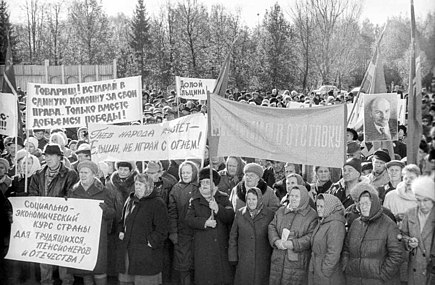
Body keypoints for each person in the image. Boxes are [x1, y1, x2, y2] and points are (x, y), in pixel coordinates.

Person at [28, 144, 78, 285]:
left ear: (59, 157)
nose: (47, 158)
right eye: (45, 155)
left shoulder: (70, 174)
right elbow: (32, 196)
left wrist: (55, 210)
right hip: (43, 221)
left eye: (51, 155)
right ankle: (46, 282)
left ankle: (67, 282)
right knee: (44, 254)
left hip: (63, 221)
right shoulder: (38, 174)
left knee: (63, 255)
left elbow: (71, 197)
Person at [68, 161, 115, 285]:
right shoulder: (73, 191)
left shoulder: (104, 191)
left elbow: (113, 214)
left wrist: (105, 210)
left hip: (98, 237)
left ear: (94, 174)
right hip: (81, 236)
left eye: (86, 172)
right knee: (86, 269)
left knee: (99, 268)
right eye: (81, 172)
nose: (83, 175)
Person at [185, 168, 234, 285]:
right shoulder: (195, 200)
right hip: (203, 247)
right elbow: (189, 220)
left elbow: (230, 217)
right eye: (203, 182)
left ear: (214, 184)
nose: (205, 185)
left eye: (208, 182)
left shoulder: (223, 198)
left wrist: (218, 209)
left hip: (220, 247)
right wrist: (204, 223)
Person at [117, 173, 168, 285]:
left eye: (141, 184)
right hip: (128, 250)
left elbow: (162, 229)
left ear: (149, 186)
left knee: (144, 281)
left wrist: (151, 242)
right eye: (136, 184)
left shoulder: (157, 203)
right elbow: (122, 220)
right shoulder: (130, 200)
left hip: (146, 252)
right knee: (126, 281)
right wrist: (121, 231)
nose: (138, 186)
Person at [342, 190, 403, 284]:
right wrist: (346, 266)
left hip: (379, 281)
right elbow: (346, 248)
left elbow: (397, 255)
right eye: (361, 204)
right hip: (354, 279)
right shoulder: (356, 223)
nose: (363, 207)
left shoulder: (388, 225)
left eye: (367, 203)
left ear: (374, 204)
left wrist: (383, 274)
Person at [268, 185, 318, 285]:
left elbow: (311, 236)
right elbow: (272, 226)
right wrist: (275, 240)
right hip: (278, 258)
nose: (293, 198)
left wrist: (293, 244)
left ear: (303, 197)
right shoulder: (281, 211)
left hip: (297, 263)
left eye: (297, 196)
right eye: (291, 195)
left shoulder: (311, 215)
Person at [228, 187, 274, 285]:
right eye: (248, 199)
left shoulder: (269, 215)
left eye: (254, 199)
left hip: (262, 260)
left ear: (259, 199)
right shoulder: (240, 213)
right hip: (243, 260)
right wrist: (233, 257)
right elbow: (233, 236)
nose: (251, 202)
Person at [104, 161, 138, 276]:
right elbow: (107, 203)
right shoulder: (110, 184)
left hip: (133, 222)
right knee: (116, 253)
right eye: (120, 169)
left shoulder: (137, 183)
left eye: (125, 170)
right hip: (115, 223)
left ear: (131, 171)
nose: (122, 172)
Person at [168, 161, 199, 285]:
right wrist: (173, 232)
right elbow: (172, 213)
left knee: (197, 265)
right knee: (183, 265)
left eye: (188, 172)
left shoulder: (200, 187)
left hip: (197, 233)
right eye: (183, 172)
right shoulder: (176, 188)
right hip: (182, 233)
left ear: (194, 173)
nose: (185, 175)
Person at [400, 176, 435, 285]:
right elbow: (401, 235)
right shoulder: (410, 213)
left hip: (431, 271)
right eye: (418, 200)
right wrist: (408, 242)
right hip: (414, 270)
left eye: (426, 200)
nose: (422, 205)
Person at [308, 194, 345, 285]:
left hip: (327, 275)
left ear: (330, 207)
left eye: (322, 206)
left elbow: (333, 253)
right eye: (317, 206)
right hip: (317, 268)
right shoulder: (323, 221)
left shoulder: (336, 224)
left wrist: (325, 271)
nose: (319, 209)